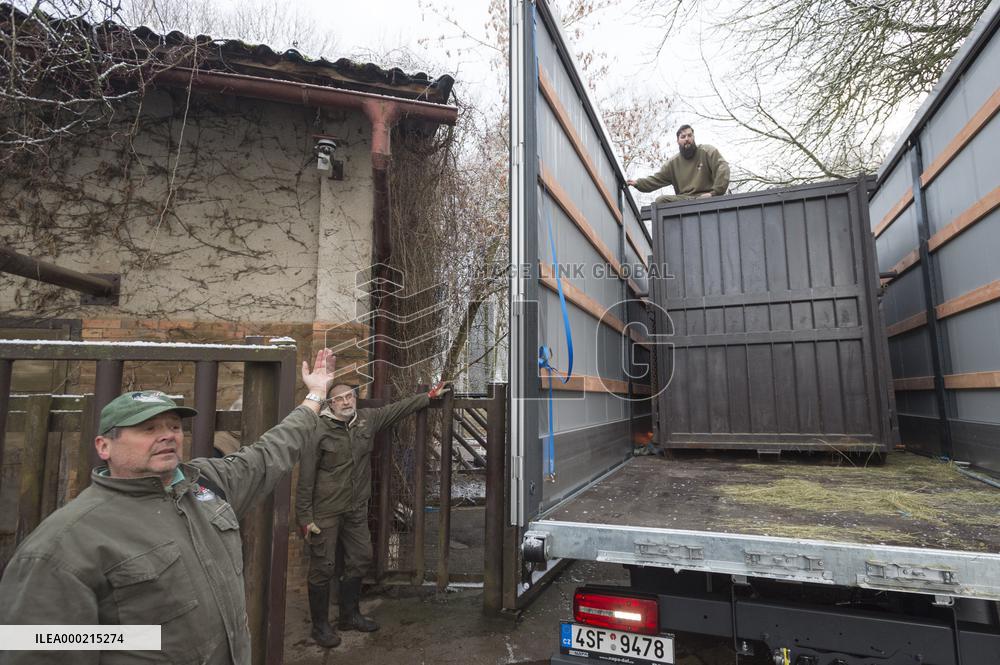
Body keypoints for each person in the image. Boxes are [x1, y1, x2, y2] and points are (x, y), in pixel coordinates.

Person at [0, 348, 339, 665]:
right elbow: (38, 644)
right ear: (104, 446)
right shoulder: (65, 544)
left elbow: (270, 452)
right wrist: (140, 640)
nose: (167, 436)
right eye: (147, 429)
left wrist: (316, 395)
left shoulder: (206, 483)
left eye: (174, 427)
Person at [296, 380, 449, 648]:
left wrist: (428, 395)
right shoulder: (318, 429)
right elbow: (306, 477)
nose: (347, 402)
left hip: (356, 508)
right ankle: (320, 627)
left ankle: (349, 616)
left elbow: (398, 409)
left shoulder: (367, 420)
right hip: (325, 511)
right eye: (340, 399)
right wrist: (305, 518)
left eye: (350, 397)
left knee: (361, 557)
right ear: (330, 404)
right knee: (323, 566)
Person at [627, 124, 730, 203]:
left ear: (693, 137)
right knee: (660, 200)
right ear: (678, 141)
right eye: (683, 136)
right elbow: (656, 180)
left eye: (689, 136)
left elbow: (722, 167)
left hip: (708, 197)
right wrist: (638, 183)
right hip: (685, 200)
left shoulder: (707, 151)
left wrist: (714, 193)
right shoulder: (673, 163)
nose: (687, 139)